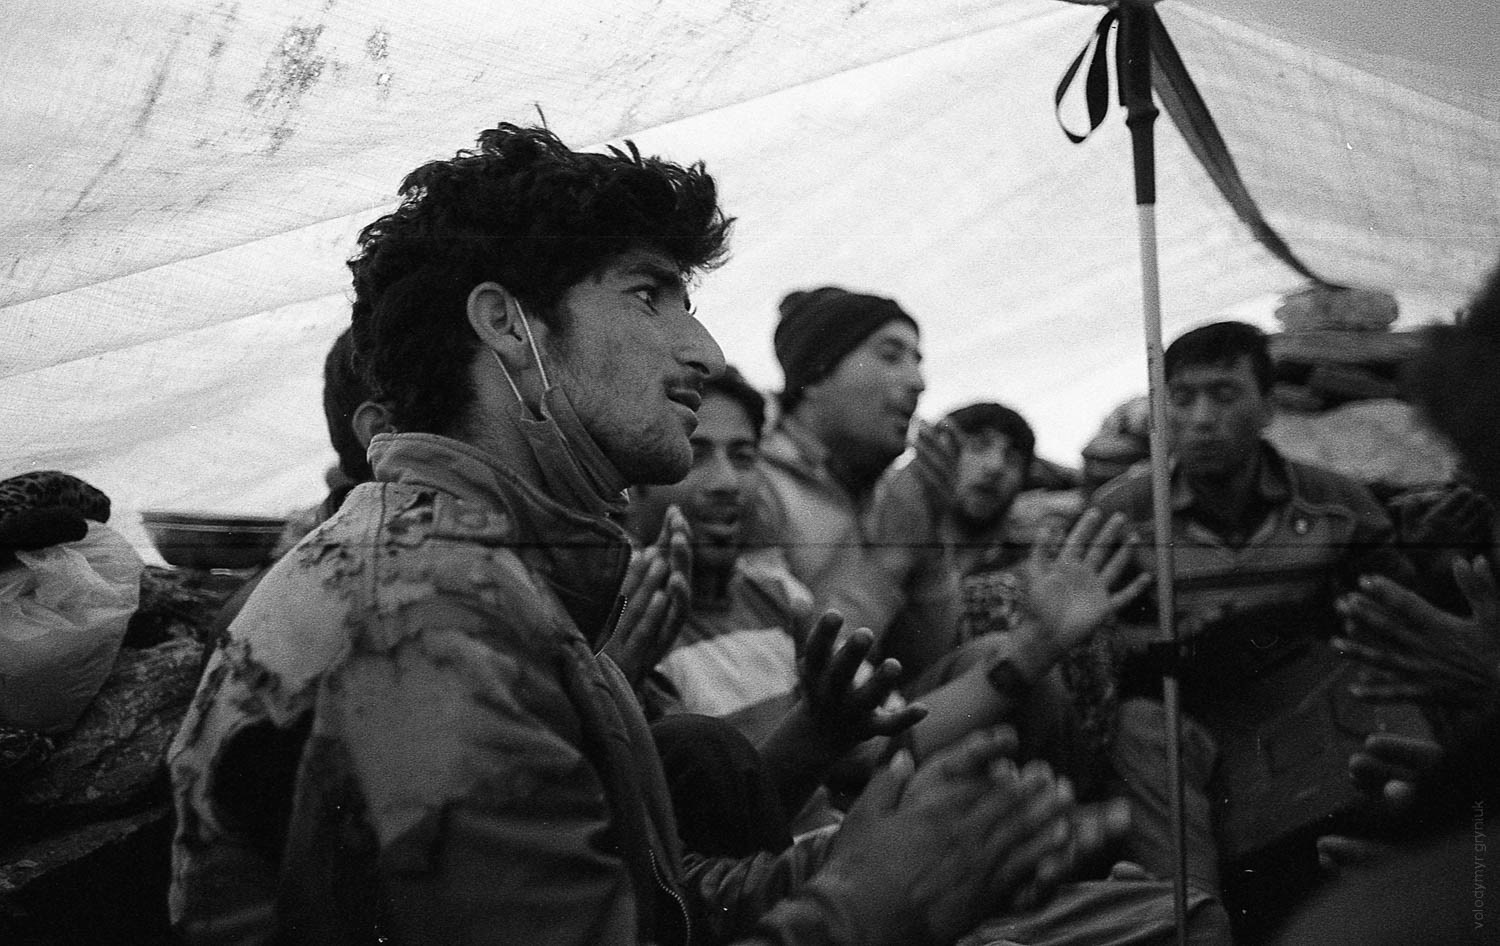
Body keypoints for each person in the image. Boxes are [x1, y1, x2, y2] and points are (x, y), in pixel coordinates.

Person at [167, 124, 1107, 946]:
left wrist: (847, 865)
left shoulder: (493, 578)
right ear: (508, 327)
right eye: (650, 294)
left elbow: (651, 905)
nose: (706, 351)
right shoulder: (429, 623)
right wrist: (868, 909)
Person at [1090, 319, 1426, 936]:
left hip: (1308, 704)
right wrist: (1179, 649)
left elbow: (1397, 613)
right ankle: (1190, 923)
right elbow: (1092, 643)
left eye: (1224, 395)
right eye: (1182, 398)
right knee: (1140, 728)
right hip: (1190, 714)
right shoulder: (1123, 516)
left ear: (1268, 407)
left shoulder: (1336, 504)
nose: (1201, 419)